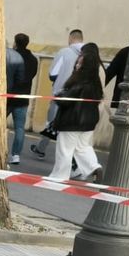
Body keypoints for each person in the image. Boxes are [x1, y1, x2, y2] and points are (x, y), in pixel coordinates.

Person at [46, 43, 105, 183]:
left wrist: (58, 96)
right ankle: (94, 167)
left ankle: (59, 177)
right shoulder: (95, 81)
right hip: (89, 121)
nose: (77, 65)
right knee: (83, 147)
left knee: (65, 149)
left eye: (79, 63)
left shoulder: (79, 81)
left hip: (72, 121)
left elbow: (66, 101)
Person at [30, 29, 83, 156]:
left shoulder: (65, 52)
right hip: (80, 97)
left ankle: (43, 150)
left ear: (71, 38)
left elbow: (53, 74)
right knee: (72, 129)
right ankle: (73, 158)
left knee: (52, 123)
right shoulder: (89, 55)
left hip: (61, 94)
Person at [8, 32, 39, 164]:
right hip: (23, 97)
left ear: (15, 43)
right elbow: (31, 75)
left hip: (8, 96)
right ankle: (16, 155)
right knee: (19, 128)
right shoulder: (33, 59)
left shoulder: (11, 56)